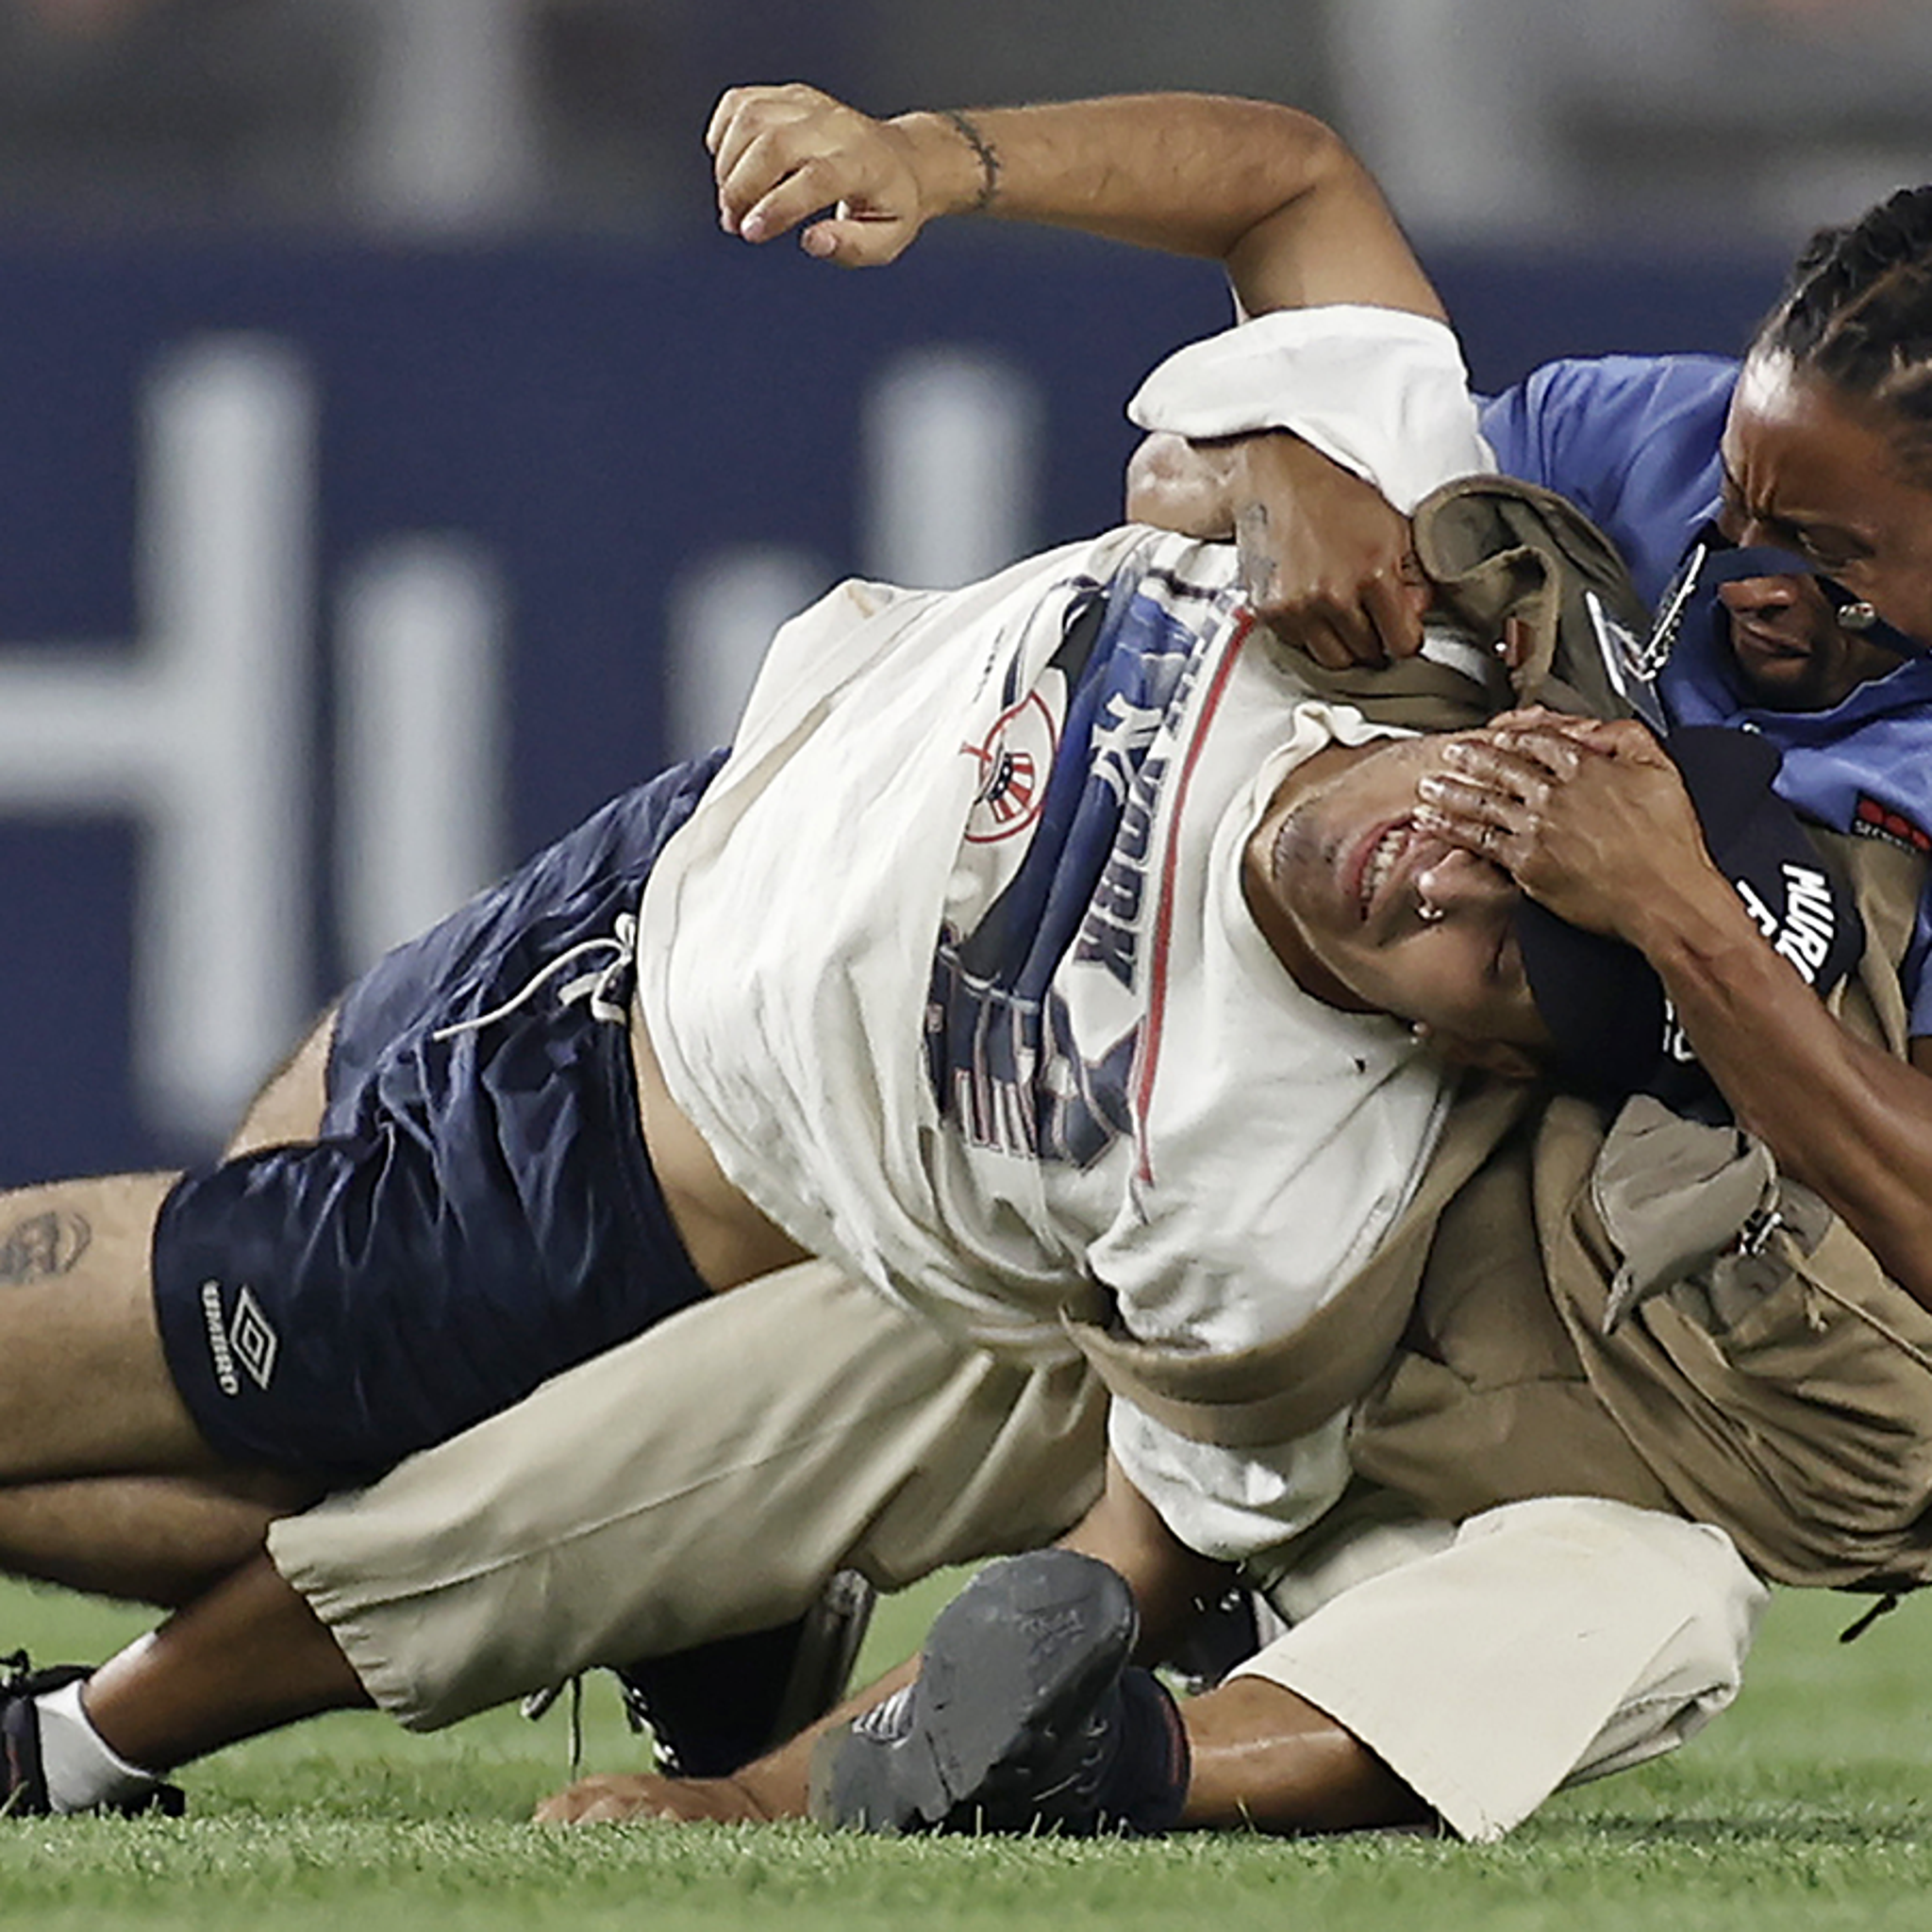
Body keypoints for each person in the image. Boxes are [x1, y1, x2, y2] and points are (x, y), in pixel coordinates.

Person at [0, 84, 1680, 1817]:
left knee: (266, 1483)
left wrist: (759, 1804)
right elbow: (1292, 176)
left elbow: (1126, 1556)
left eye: (1497, 963)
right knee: (254, 1424)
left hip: (608, 1200)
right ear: (1516, 742)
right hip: (634, 881)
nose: (1441, 884)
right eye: (1503, 840)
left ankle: (696, 1619)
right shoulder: (1392, 577)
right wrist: (929, 163)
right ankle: (713, 1621)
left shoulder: (1285, 1206)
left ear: (1479, 1059)